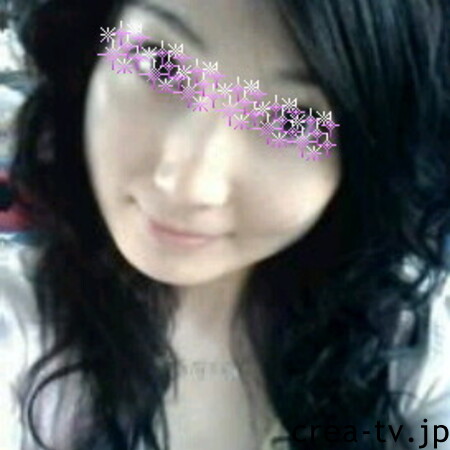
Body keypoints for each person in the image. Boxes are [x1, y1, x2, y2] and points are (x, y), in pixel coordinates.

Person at [2, 0, 450, 448]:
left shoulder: (406, 329)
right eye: (161, 65)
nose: (187, 185)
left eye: (291, 122)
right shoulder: (20, 323)